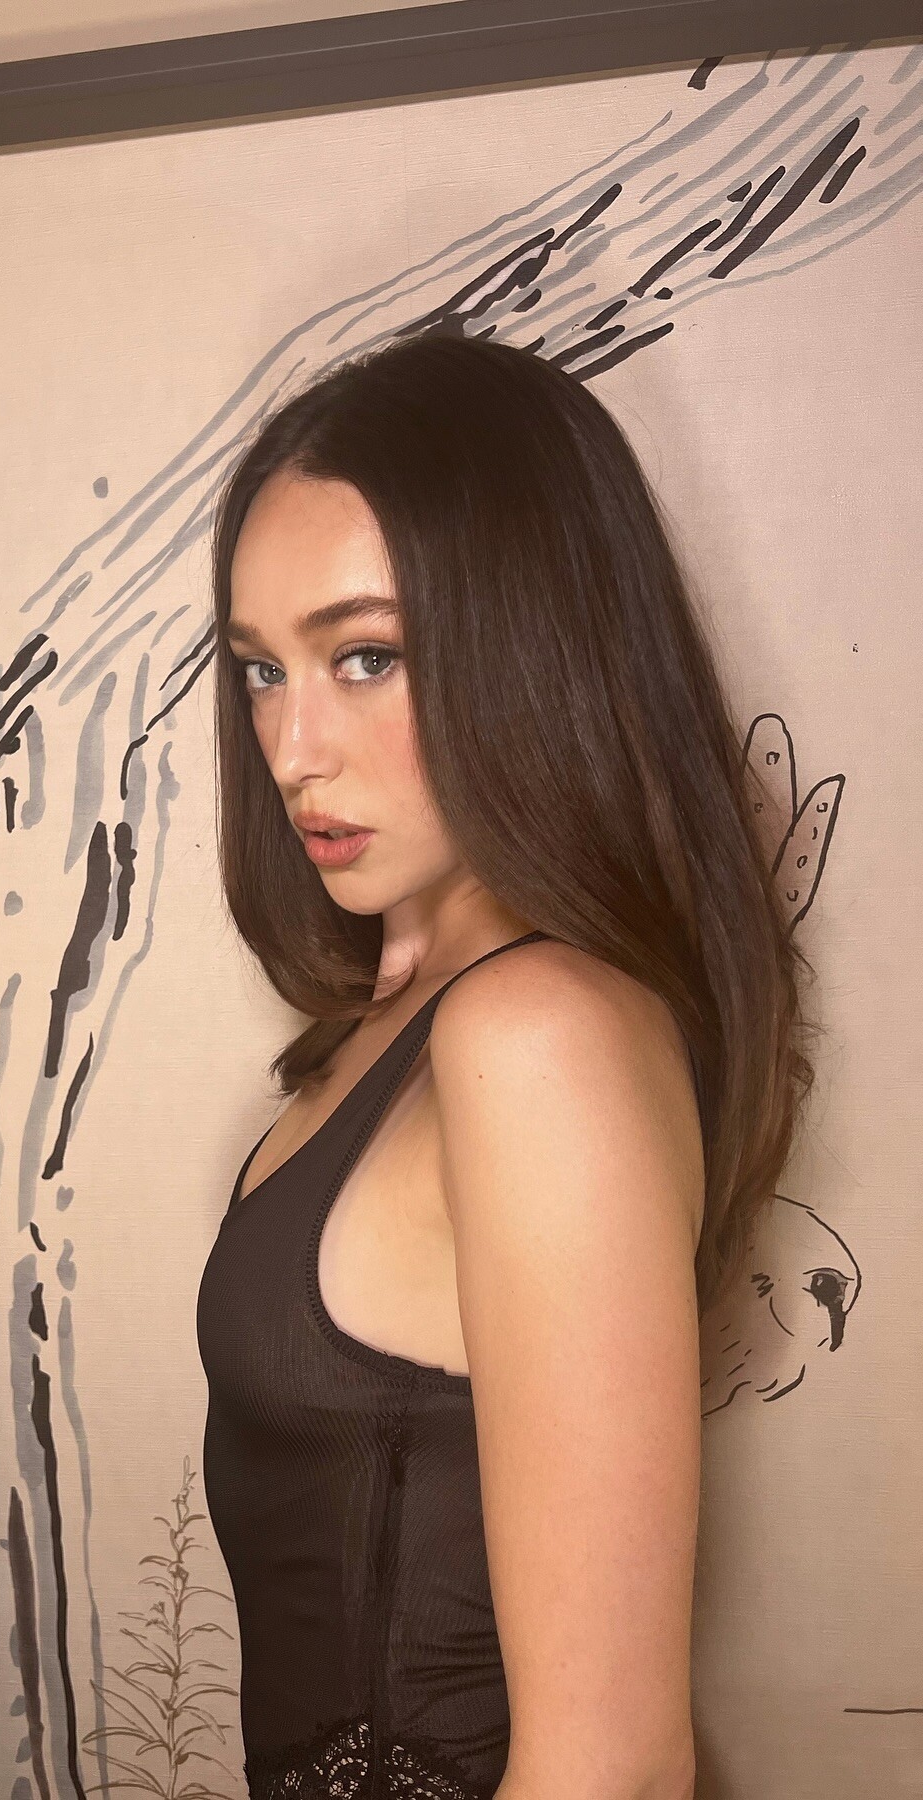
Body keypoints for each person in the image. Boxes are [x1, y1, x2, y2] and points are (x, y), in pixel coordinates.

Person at [194, 331, 811, 1800]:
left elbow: (615, 1768)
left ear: (533, 644)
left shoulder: (536, 1036)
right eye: (262, 672)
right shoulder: (414, 1013)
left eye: (365, 657)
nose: (292, 748)